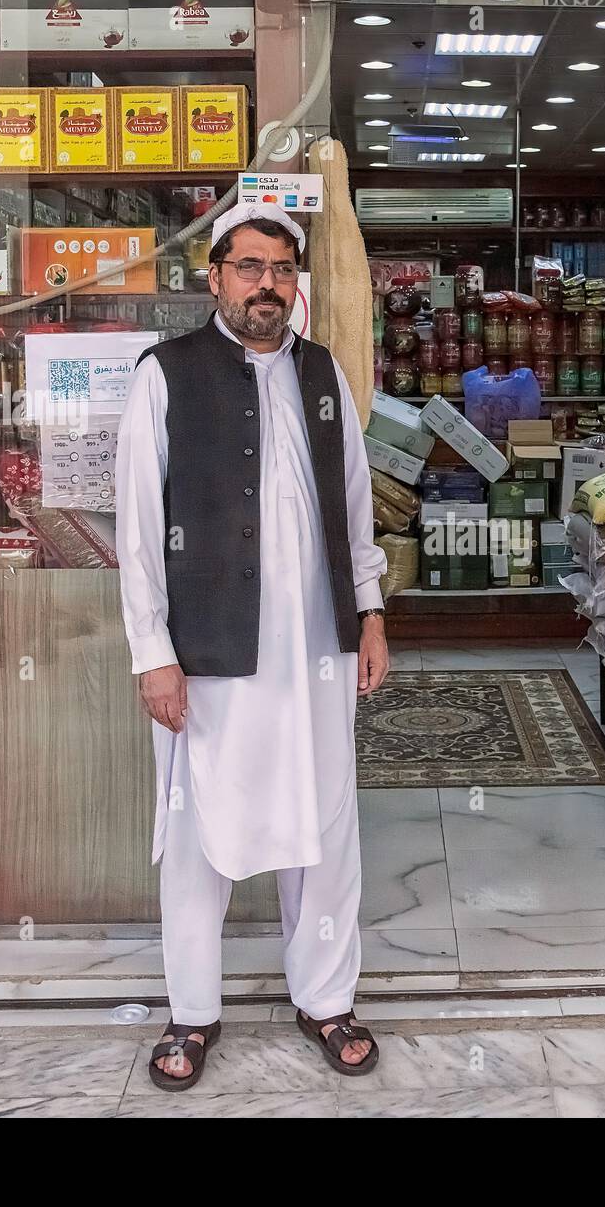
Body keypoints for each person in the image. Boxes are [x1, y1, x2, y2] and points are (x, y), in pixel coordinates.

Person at [116, 201, 389, 1090]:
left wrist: (370, 611)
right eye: (249, 267)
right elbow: (137, 527)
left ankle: (326, 997)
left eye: (280, 269)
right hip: (207, 652)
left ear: (295, 284)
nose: (266, 284)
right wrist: (152, 651)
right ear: (216, 277)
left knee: (325, 826)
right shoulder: (167, 375)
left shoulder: (323, 376)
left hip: (316, 649)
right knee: (198, 833)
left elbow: (354, 508)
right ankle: (192, 1013)